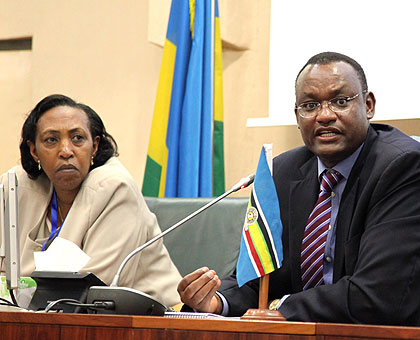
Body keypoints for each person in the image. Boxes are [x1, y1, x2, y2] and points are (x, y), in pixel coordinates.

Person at [177, 52, 420, 325]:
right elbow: (258, 281)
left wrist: (282, 306)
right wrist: (217, 301)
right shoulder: (282, 172)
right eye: (310, 105)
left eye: (340, 101)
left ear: (368, 105)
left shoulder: (403, 167)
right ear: (297, 115)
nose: (325, 116)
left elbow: (378, 292)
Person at [0, 94, 181, 307]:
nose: (66, 151)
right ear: (34, 151)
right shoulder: (17, 185)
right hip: (46, 318)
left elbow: (93, 290)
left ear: (94, 146)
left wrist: (16, 285)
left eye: (77, 138)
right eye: (51, 140)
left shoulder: (115, 186)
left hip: (152, 320)